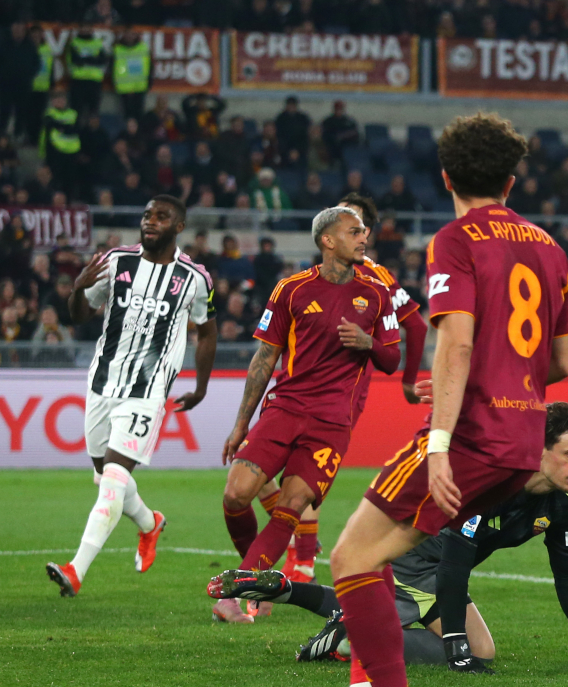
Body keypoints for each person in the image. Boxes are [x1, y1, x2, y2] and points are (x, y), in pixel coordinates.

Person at [290, 113, 568, 687]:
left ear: (445, 176)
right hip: (520, 442)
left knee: (349, 558)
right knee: (379, 555)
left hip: (469, 438)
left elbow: (456, 343)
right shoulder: (550, 249)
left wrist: (441, 438)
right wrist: (502, 381)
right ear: (510, 180)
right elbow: (560, 361)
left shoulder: (455, 239)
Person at [213, 404, 568, 674]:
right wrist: (456, 648)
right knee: (469, 648)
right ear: (538, 450)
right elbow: (455, 566)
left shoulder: (566, 504)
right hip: (409, 557)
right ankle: (348, 639)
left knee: (423, 626)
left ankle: (290, 592)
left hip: (436, 570)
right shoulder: (493, 487)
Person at [209, 207, 400, 623]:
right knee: (236, 494)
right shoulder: (291, 289)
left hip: (332, 422)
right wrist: (241, 424)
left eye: (364, 232)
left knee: (292, 505)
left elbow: (392, 359)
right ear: (327, 240)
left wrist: (368, 342)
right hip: (285, 408)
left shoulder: (377, 293)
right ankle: (254, 577)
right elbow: (265, 357)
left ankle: (235, 594)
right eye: (354, 232)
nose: (364, 237)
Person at [249, 194, 427, 592]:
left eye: (358, 223)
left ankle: (302, 559)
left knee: (303, 475)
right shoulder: (309, 279)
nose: (353, 230)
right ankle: (297, 544)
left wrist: (407, 380)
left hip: (341, 394)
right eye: (345, 222)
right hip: (294, 390)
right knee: (256, 475)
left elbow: (415, 325)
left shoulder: (377, 277)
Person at [46, 196, 216, 597]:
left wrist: (201, 387)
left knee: (113, 480)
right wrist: (78, 288)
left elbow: (207, 332)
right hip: (102, 382)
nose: (150, 221)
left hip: (148, 391)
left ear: (178, 227)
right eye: (146, 215)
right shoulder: (116, 261)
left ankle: (75, 570)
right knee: (103, 473)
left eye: (161, 216)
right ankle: (149, 523)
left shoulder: (195, 278)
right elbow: (79, 315)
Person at [66, 25, 108, 118]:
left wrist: (84, 59)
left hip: (94, 80)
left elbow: (102, 60)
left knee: (93, 112)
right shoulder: (74, 43)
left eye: (88, 28)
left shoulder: (98, 43)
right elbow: (75, 60)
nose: (85, 30)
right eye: (83, 27)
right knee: (76, 111)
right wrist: (92, 59)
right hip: (78, 79)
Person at [112, 27, 151, 121]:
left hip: (140, 88)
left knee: (139, 115)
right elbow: (112, 68)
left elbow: (149, 67)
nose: (130, 36)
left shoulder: (143, 48)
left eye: (132, 34)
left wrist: (149, 83)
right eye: (127, 34)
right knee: (127, 116)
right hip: (124, 89)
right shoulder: (117, 49)